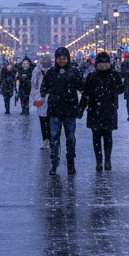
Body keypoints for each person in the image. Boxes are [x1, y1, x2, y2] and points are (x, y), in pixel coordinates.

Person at [39, 46, 83, 175]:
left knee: (70, 138)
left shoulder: (74, 72)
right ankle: (54, 163)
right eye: (59, 58)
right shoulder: (51, 72)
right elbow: (43, 88)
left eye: (64, 58)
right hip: (55, 110)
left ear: (67, 59)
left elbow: (81, 87)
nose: (62, 61)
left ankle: (70, 163)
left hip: (69, 110)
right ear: (56, 59)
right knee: (54, 137)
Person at [81, 52, 122, 171]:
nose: (104, 66)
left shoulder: (114, 76)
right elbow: (86, 94)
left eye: (106, 63)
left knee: (108, 136)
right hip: (95, 110)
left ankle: (107, 160)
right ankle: (99, 161)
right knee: (96, 137)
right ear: (97, 64)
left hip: (109, 110)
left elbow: (120, 89)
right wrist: (81, 108)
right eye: (101, 63)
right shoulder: (92, 77)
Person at [32, 58, 50, 149]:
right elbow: (34, 84)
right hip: (40, 98)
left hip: (51, 99)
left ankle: (50, 140)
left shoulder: (53, 71)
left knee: (50, 121)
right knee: (43, 121)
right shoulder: (37, 70)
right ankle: (45, 140)